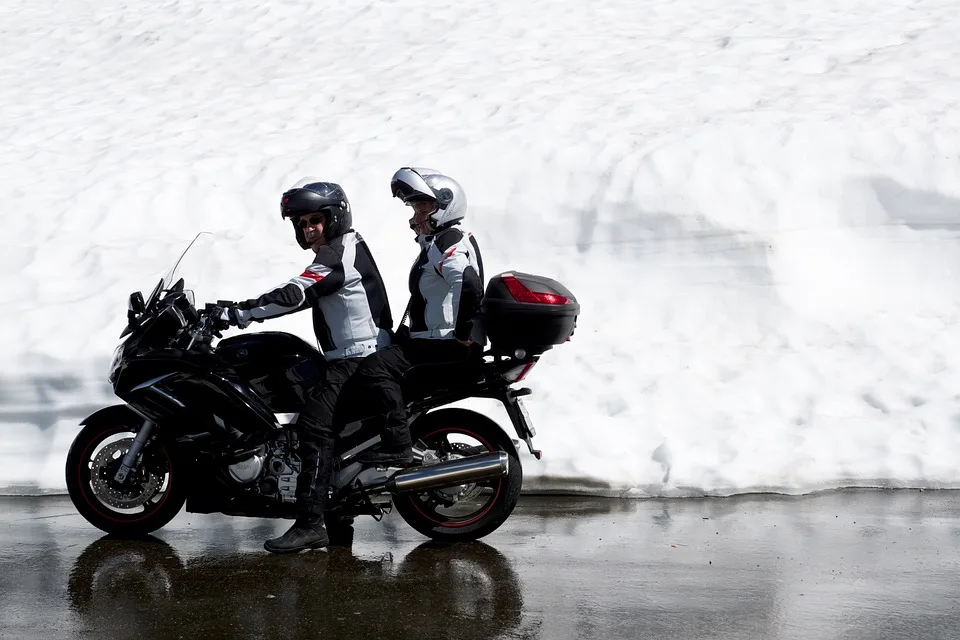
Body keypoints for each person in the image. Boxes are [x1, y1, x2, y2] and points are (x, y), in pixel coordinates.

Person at [215, 177, 393, 553]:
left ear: (334, 217)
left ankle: (311, 523)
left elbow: (297, 293)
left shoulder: (336, 255)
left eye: (315, 220)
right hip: (355, 354)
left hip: (357, 358)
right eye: (303, 223)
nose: (309, 229)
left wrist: (242, 312)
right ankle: (338, 507)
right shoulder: (343, 248)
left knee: (314, 426)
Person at [345, 167, 485, 466]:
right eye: (414, 207)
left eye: (423, 207)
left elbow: (469, 283)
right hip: (436, 338)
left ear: (445, 206)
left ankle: (398, 445)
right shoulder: (439, 243)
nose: (416, 215)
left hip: (447, 343)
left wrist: (463, 333)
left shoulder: (448, 242)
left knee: (374, 369)